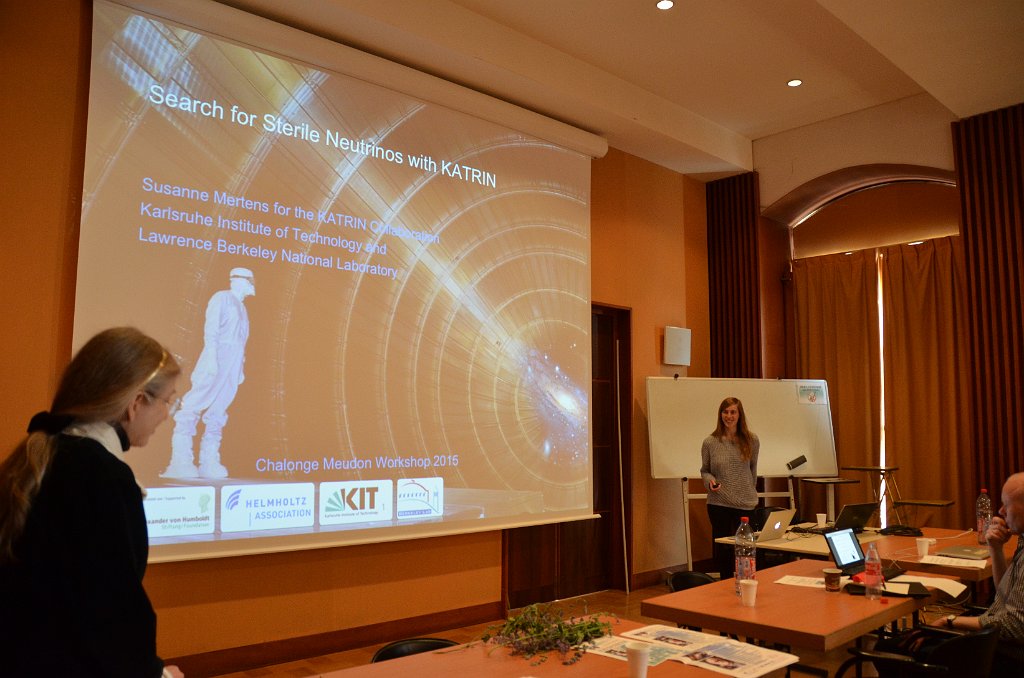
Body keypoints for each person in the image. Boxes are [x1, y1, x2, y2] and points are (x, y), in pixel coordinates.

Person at [0, 327, 184, 677]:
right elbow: (111, 618)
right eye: (167, 401)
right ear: (136, 403)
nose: (167, 415)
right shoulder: (102, 478)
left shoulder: (39, 457)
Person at [163, 267, 254, 479]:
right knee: (195, 402)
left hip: (233, 363)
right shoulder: (222, 298)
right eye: (249, 281)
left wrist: (239, 367)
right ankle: (181, 459)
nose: (252, 285)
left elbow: (241, 341)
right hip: (217, 357)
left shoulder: (242, 308)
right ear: (238, 280)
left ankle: (209, 460)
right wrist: (212, 358)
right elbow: (211, 330)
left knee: (219, 408)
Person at [930, 471, 1024, 671]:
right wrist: (995, 548)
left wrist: (951, 620)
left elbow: (1015, 626)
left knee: (890, 647)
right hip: (996, 639)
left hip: (1006, 655)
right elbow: (1005, 595)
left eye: (1006, 505)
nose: (1001, 511)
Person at [700, 396, 759, 580]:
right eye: (725, 412)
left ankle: (746, 583)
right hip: (719, 504)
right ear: (720, 415)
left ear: (740, 415)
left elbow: (753, 469)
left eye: (733, 412)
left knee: (745, 549)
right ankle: (725, 585)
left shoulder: (751, 440)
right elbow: (705, 471)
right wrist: (710, 481)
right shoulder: (710, 442)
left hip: (745, 503)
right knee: (724, 550)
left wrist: (748, 490)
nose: (729, 416)